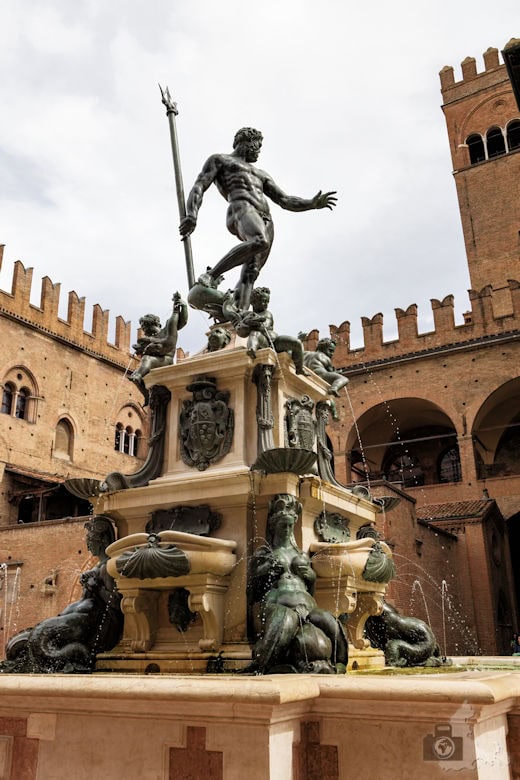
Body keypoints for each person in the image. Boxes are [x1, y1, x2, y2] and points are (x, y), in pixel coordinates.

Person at [180, 127, 337, 310]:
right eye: (258, 145)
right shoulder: (220, 160)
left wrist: (311, 203)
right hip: (241, 208)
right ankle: (212, 275)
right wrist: (192, 215)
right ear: (247, 142)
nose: (259, 150)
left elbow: (284, 200)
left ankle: (239, 313)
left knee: (251, 272)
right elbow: (199, 186)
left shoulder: (261, 174)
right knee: (259, 241)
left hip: (266, 219)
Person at [248, 493, 348, 673]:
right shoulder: (266, 552)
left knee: (329, 620)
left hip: (307, 607)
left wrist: (311, 576)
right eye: (282, 525)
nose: (286, 529)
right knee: (286, 620)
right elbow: (252, 590)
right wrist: (266, 570)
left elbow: (311, 589)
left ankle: (340, 662)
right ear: (273, 525)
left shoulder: (301, 555)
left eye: (289, 525)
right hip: (278, 606)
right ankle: (263, 664)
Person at [129, 292, 188, 403]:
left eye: (145, 327)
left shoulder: (167, 329)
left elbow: (169, 342)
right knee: (137, 374)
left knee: (147, 360)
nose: (144, 330)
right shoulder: (151, 338)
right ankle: (147, 396)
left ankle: (138, 376)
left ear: (154, 324)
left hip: (167, 360)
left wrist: (182, 306)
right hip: (158, 360)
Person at [230, 286, 305, 373]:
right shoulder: (248, 315)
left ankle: (299, 368)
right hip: (262, 340)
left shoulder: (267, 313)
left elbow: (265, 325)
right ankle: (252, 350)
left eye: (267, 301)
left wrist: (250, 322)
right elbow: (240, 328)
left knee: (297, 343)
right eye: (263, 301)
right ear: (253, 302)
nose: (266, 304)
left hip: (275, 341)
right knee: (254, 334)